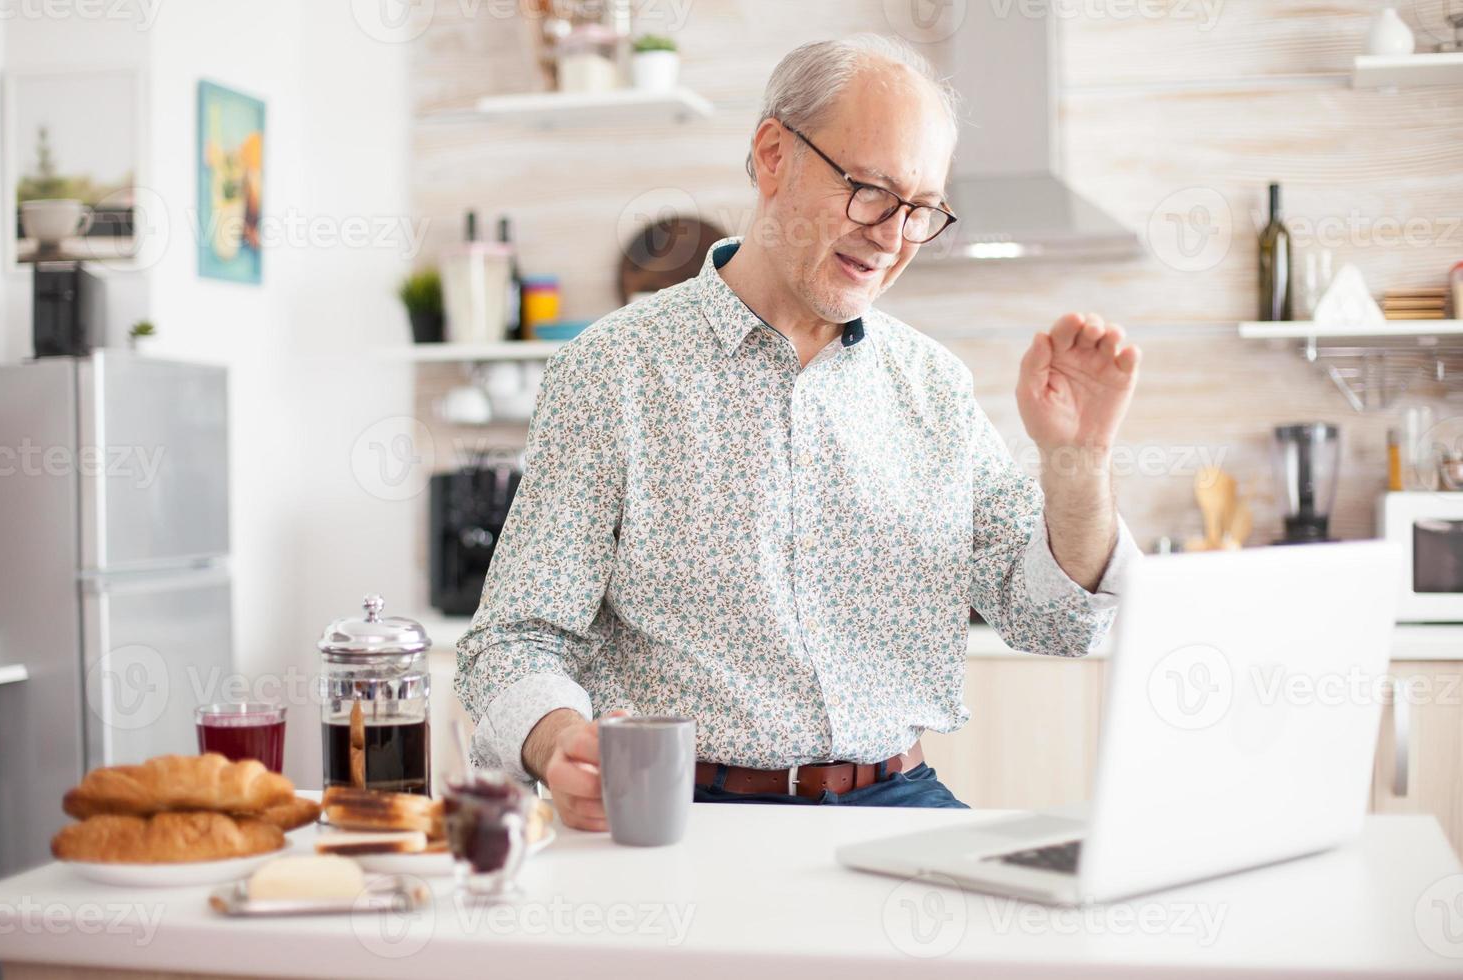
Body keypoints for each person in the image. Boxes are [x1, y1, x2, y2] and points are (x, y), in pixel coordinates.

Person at [456, 34, 1141, 829]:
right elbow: (511, 641)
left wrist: (1077, 462)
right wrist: (556, 738)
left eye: (920, 210)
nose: (892, 235)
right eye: (872, 190)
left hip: (898, 802)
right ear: (774, 154)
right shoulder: (612, 374)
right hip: (684, 809)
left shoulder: (935, 389)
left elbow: (1055, 624)